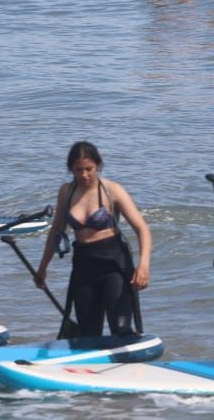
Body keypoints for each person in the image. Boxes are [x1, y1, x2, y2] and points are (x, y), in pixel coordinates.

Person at [34, 142, 152, 338]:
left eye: (89, 169)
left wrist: (143, 265)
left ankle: (130, 364)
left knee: (121, 329)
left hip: (114, 264)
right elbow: (56, 231)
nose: (84, 175)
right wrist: (42, 268)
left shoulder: (112, 190)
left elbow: (142, 229)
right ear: (71, 169)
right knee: (88, 333)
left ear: (98, 166)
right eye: (78, 170)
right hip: (83, 266)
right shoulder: (66, 192)